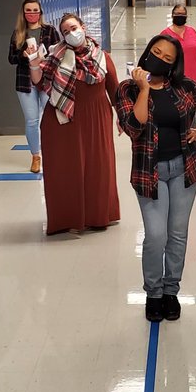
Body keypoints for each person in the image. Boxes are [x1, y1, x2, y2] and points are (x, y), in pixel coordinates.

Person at [115, 35, 196, 322]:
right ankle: (153, 293)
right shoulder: (126, 89)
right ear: (146, 53)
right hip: (148, 173)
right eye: (156, 53)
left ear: (175, 64)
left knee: (177, 235)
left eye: (168, 59)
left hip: (183, 168)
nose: (160, 60)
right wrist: (143, 89)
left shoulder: (184, 87)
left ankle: (170, 292)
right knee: (156, 236)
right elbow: (134, 126)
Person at [29, 12, 121, 235]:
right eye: (66, 31)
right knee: (65, 169)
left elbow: (115, 90)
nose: (71, 33)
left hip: (96, 117)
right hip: (62, 119)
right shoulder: (55, 56)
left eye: (73, 28)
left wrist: (122, 116)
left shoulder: (102, 57)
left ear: (83, 26)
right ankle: (67, 218)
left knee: (98, 167)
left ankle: (97, 216)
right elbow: (39, 83)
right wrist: (33, 63)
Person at [7, 0, 60, 174]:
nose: (31, 14)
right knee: (32, 121)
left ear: (40, 12)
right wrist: (23, 55)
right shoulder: (18, 33)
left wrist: (44, 56)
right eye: (28, 10)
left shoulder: (50, 30)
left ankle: (52, 152)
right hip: (25, 83)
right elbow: (11, 59)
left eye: (35, 10)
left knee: (49, 119)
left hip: (46, 80)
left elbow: (59, 53)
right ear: (23, 13)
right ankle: (36, 156)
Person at [161, 4, 196, 83]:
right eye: (178, 14)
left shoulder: (192, 31)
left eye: (183, 14)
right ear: (172, 15)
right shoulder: (165, 35)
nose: (180, 16)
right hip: (175, 81)